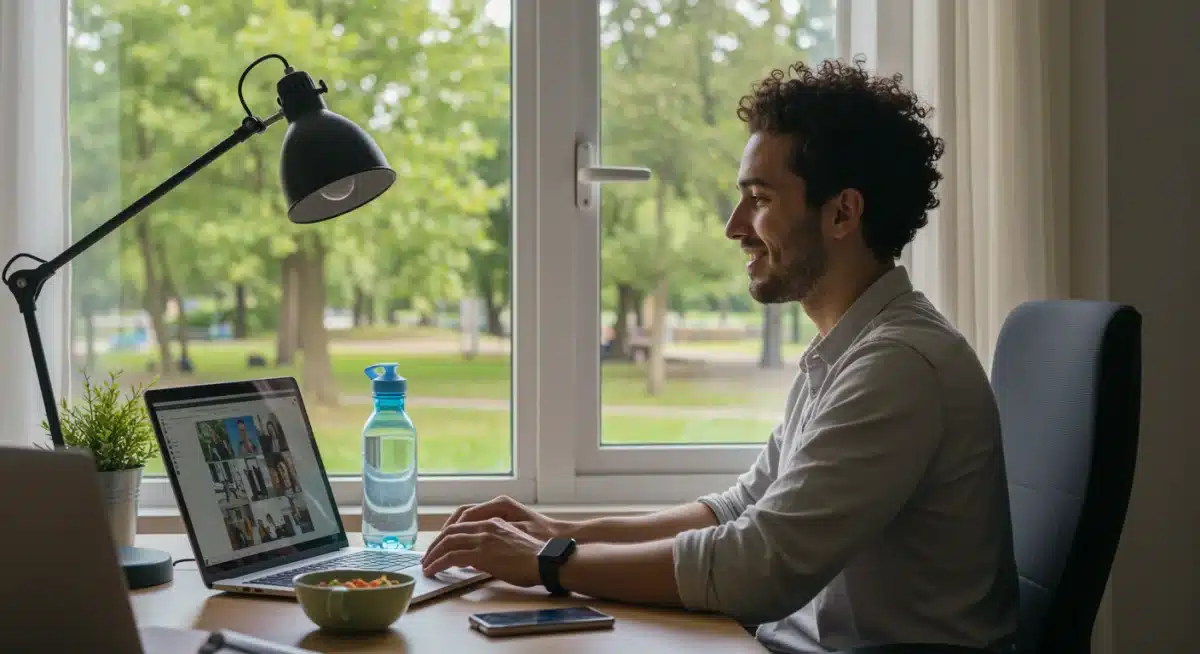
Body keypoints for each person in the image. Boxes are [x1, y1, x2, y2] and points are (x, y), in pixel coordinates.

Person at [421, 59, 1018, 653]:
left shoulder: (898, 366)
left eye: (759, 198)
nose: (734, 227)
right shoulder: (846, 352)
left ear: (842, 212)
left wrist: (550, 561)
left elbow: (756, 568)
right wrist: (559, 532)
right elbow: (739, 509)